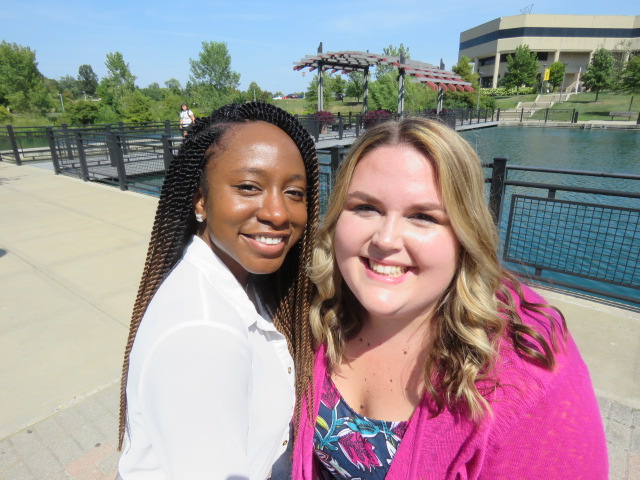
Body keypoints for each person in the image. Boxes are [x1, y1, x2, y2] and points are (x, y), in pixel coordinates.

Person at [292, 118, 608, 479]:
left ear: (464, 235)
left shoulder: (530, 376)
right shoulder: (319, 308)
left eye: (423, 216)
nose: (386, 239)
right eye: (366, 207)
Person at [118, 101, 319, 479]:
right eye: (248, 187)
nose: (278, 213)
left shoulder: (238, 280)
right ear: (199, 199)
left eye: (294, 192)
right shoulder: (203, 333)